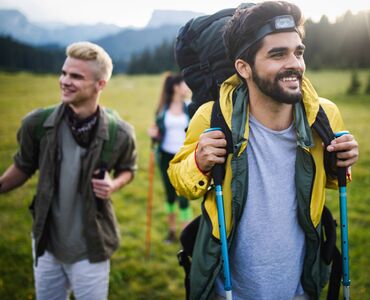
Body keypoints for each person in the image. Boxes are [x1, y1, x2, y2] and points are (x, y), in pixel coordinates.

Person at [167, 2, 359, 300]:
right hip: (229, 289)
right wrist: (198, 161)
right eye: (277, 54)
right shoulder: (213, 117)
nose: (295, 64)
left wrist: (342, 164)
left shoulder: (324, 114)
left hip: (300, 287)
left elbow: (331, 181)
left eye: (298, 52)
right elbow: (180, 180)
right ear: (243, 67)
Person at [0, 42, 137, 300]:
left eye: (76, 76)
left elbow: (128, 169)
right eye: (64, 73)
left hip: (92, 249)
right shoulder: (37, 125)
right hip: (46, 246)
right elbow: (23, 165)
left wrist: (114, 184)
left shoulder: (119, 133)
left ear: (100, 85)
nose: (65, 81)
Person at [148, 73, 192, 243]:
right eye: (184, 84)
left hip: (184, 158)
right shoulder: (162, 110)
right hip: (165, 156)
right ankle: (172, 231)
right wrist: (153, 134)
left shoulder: (189, 107)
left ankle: (186, 236)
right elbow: (157, 132)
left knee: (184, 196)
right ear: (175, 87)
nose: (187, 87)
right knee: (170, 196)